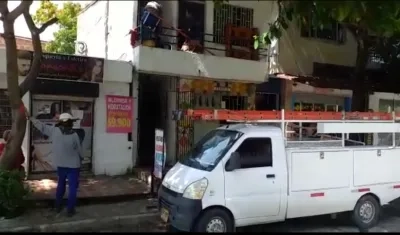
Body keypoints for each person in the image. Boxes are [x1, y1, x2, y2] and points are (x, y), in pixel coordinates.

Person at [25, 110, 83, 217]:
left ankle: (57, 206)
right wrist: (82, 158)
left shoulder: (53, 131)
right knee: (72, 188)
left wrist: (31, 118)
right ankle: (70, 210)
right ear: (70, 123)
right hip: (73, 166)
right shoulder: (74, 135)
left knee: (61, 185)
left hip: (61, 165)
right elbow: (79, 150)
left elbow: (40, 126)